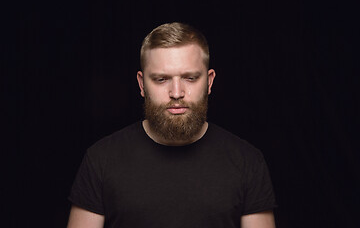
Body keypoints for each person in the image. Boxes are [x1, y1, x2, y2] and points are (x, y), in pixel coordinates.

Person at [67, 22, 277, 228]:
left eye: (190, 78)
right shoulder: (101, 160)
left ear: (209, 81)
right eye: (161, 79)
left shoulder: (247, 162)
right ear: (142, 84)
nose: (176, 92)